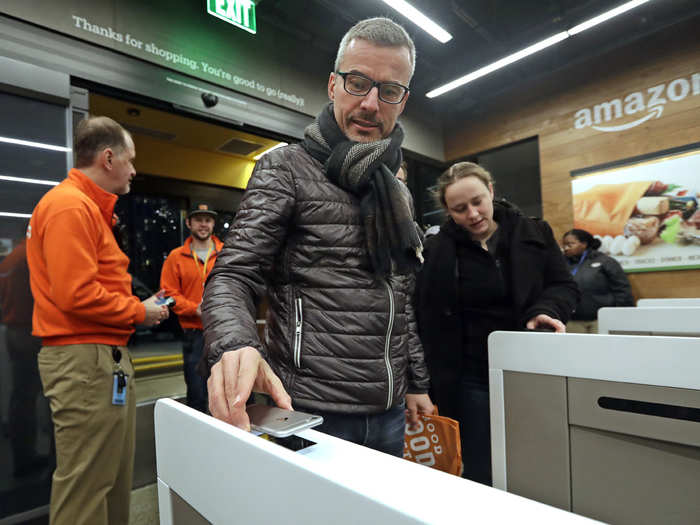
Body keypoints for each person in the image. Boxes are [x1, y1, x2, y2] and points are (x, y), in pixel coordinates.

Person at [202, 17, 433, 457]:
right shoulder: (286, 168)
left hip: (388, 413)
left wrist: (417, 383)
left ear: (402, 101)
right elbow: (233, 275)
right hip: (309, 412)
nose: (370, 103)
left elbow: (399, 298)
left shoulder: (396, 191)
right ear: (332, 86)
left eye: (388, 91)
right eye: (357, 82)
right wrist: (235, 345)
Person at [26, 116, 169, 525]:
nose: (134, 170)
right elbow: (76, 295)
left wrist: (137, 305)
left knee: (109, 478)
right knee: (87, 485)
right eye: (131, 159)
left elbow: (88, 285)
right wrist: (139, 311)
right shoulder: (71, 206)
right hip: (83, 361)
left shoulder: (88, 209)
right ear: (108, 157)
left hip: (100, 359)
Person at [415, 161, 579, 485]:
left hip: (529, 365)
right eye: (460, 209)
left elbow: (565, 286)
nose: (473, 214)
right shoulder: (438, 250)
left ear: (491, 191)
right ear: (447, 211)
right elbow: (424, 313)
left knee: (538, 453)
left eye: (477, 202)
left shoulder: (534, 232)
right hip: (470, 373)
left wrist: (545, 309)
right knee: (480, 462)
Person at [160, 202, 223, 413]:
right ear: (189, 223)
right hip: (194, 335)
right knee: (196, 394)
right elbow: (168, 294)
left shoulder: (226, 254)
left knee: (226, 392)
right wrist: (193, 309)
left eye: (208, 220)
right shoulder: (176, 257)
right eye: (198, 220)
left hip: (223, 332)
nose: (203, 224)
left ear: (213, 223)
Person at [562, 228, 634, 333]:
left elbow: (622, 289)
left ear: (584, 244)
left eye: (570, 244)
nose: (565, 248)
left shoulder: (605, 261)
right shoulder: (561, 265)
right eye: (564, 245)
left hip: (601, 320)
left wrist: (622, 316)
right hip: (572, 321)